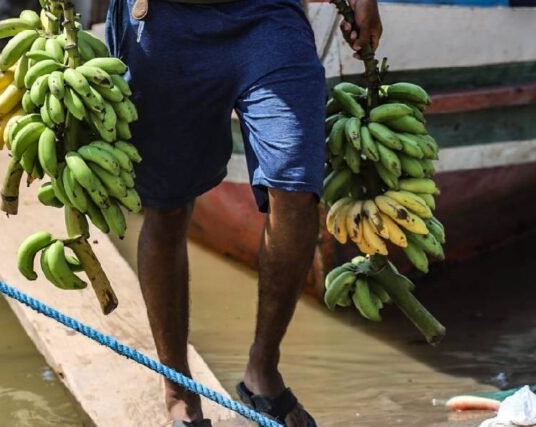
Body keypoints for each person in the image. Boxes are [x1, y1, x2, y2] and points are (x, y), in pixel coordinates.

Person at [105, 0, 381, 425]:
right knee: (168, 208)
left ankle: (262, 370)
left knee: (295, 190)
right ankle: (178, 390)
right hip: (164, 22)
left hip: (267, 16)